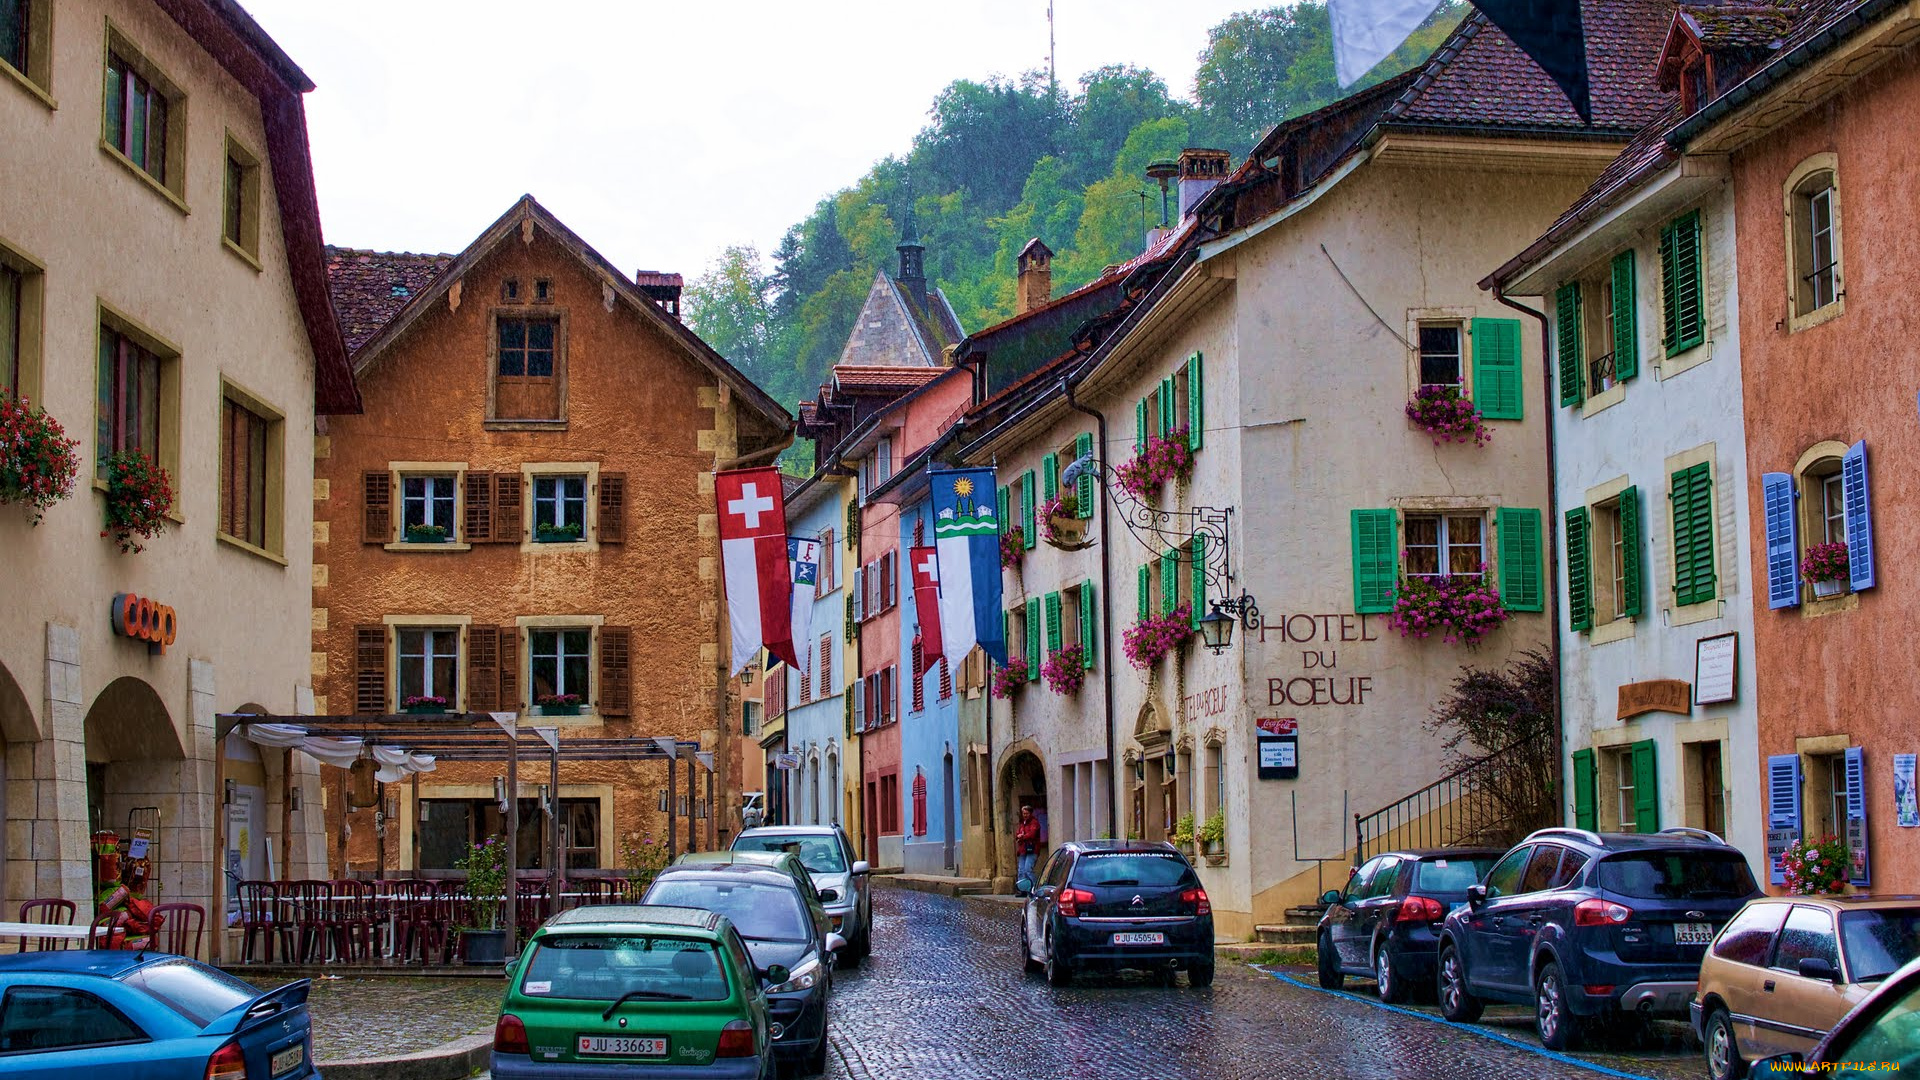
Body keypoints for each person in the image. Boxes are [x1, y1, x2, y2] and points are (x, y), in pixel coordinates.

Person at [1014, 805, 1041, 894]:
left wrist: (1022, 837)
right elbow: (1018, 833)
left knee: (1028, 870)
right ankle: (1023, 890)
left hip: (1032, 849)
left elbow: (1032, 834)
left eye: (1026, 813)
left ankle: (1035, 888)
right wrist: (1019, 836)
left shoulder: (1034, 823)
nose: (1025, 815)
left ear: (1030, 813)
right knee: (1021, 870)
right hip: (1023, 850)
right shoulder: (1023, 823)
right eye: (1023, 813)